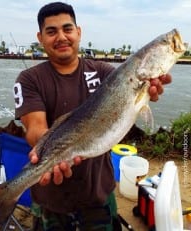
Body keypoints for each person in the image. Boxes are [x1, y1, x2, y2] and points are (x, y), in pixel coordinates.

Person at [13, 2, 172, 230]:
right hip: (50, 201)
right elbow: (35, 127)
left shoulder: (105, 73)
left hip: (99, 196)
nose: (61, 37)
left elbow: (126, 110)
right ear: (40, 37)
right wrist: (51, 154)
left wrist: (148, 94)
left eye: (67, 29)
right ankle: (8, 195)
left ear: (79, 32)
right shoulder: (29, 79)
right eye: (51, 31)